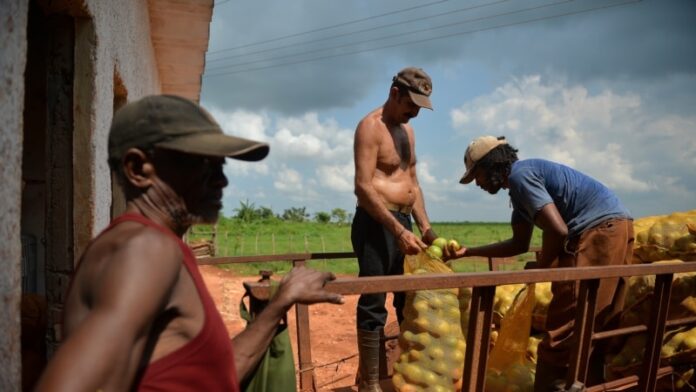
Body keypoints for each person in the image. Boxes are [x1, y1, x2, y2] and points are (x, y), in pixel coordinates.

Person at [35, 95, 344, 391]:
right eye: (203, 164)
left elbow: (216, 375)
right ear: (138, 168)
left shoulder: (147, 246)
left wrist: (279, 303)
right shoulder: (146, 248)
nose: (222, 180)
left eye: (221, 166)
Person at [444, 135, 633, 391]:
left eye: (476, 175)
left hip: (598, 233)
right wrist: (468, 252)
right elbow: (519, 244)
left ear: (490, 166)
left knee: (567, 328)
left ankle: (556, 384)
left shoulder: (522, 177)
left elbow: (558, 230)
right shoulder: (520, 192)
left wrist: (543, 266)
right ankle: (588, 383)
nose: (476, 183)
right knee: (595, 323)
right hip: (615, 228)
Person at [352, 67, 438, 391]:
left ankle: (408, 376)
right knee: (374, 301)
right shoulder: (369, 128)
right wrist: (397, 231)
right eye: (411, 104)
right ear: (394, 93)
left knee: (407, 301)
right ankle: (371, 384)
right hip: (376, 223)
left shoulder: (408, 132)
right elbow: (363, 187)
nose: (414, 112)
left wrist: (426, 229)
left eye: (420, 106)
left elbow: (412, 183)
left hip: (404, 222)